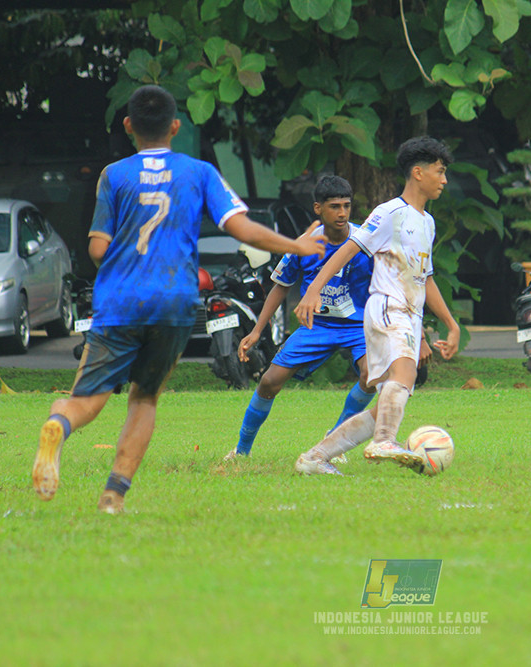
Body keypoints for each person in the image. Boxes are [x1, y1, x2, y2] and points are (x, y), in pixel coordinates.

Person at [31, 84, 326, 513]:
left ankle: (59, 424)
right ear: (174, 126)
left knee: (86, 400)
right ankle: (113, 496)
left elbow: (97, 249)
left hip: (120, 302)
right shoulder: (198, 172)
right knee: (144, 398)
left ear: (128, 126)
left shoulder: (114, 175)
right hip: (174, 302)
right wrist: (296, 246)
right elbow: (240, 228)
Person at [292, 136, 461, 476]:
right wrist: (313, 290)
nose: (444, 180)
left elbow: (425, 279)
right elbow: (348, 249)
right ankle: (384, 440)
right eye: (440, 171)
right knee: (405, 377)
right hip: (388, 308)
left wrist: (451, 324)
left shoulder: (426, 222)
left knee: (388, 401)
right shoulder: (389, 213)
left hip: (408, 315)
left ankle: (314, 458)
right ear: (418, 173)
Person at [223, 175, 378, 459]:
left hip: (358, 326)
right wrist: (257, 330)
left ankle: (335, 438)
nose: (342, 213)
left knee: (371, 376)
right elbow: (280, 287)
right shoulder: (304, 244)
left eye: (346, 205)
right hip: (316, 326)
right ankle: (241, 451)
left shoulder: (365, 242)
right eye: (334, 206)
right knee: (269, 381)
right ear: (318, 208)